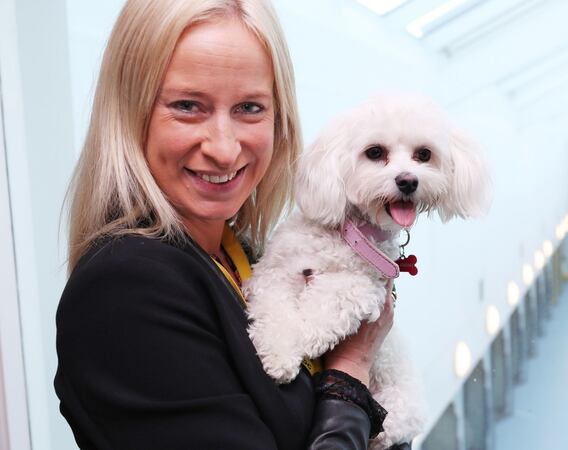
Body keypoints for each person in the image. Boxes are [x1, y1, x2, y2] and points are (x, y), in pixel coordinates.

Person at [54, 0, 406, 448]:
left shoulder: (240, 254)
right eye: (187, 106)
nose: (223, 149)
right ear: (130, 114)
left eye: (249, 108)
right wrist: (352, 369)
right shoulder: (125, 290)